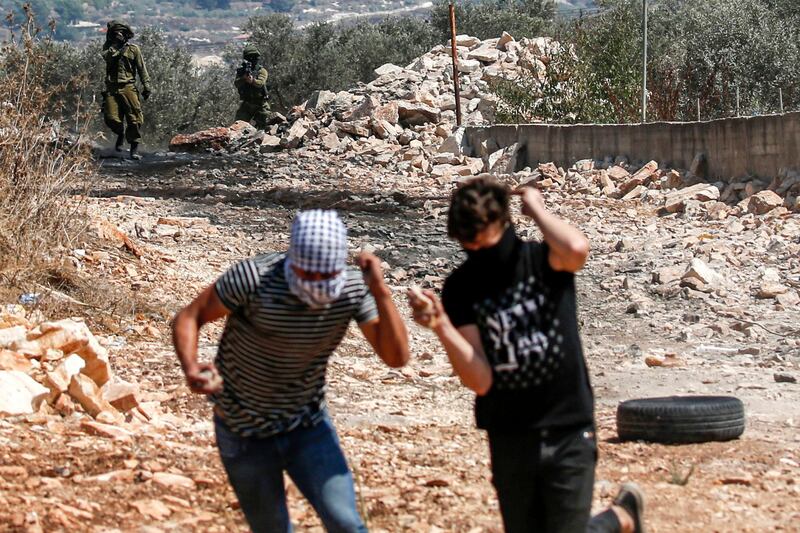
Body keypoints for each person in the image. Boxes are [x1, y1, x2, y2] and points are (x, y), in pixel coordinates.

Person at [408, 177, 645, 533]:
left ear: (505, 225)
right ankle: (620, 518)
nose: (482, 254)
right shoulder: (462, 287)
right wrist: (442, 325)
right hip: (510, 435)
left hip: (568, 427)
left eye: (488, 243)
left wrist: (537, 209)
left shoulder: (544, 260)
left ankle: (619, 518)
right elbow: (481, 379)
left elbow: (578, 248)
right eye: (470, 246)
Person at [172, 210, 409, 533]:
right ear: (292, 260)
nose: (317, 284)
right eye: (308, 274)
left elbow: (395, 357)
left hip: (308, 425)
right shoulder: (255, 278)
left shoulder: (351, 289)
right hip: (243, 429)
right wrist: (191, 367)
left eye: (326, 276)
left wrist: (380, 291)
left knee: (346, 523)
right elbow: (190, 316)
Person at [101, 20, 151, 160]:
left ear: (126, 35)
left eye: (121, 33)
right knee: (111, 118)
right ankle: (120, 134)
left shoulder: (134, 49)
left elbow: (142, 69)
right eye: (116, 33)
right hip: (112, 88)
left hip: (128, 87)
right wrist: (116, 46)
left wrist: (147, 86)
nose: (119, 35)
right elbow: (107, 58)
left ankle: (133, 149)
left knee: (134, 119)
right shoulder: (108, 47)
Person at [234, 44, 271, 130]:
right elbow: (236, 83)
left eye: (253, 57)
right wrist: (243, 79)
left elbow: (260, 83)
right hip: (247, 104)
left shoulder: (262, 71)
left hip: (260, 104)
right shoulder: (241, 71)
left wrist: (252, 81)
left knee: (265, 126)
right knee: (238, 127)